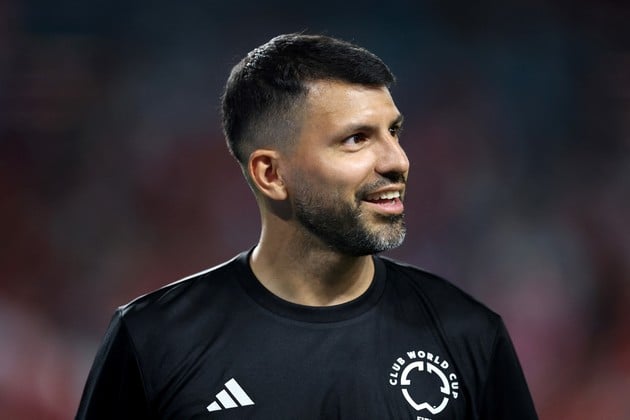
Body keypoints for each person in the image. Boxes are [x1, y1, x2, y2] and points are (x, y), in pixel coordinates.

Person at [76, 33, 538, 419]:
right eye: (356, 139)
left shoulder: (469, 335)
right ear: (271, 174)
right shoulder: (154, 340)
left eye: (394, 131)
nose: (397, 161)